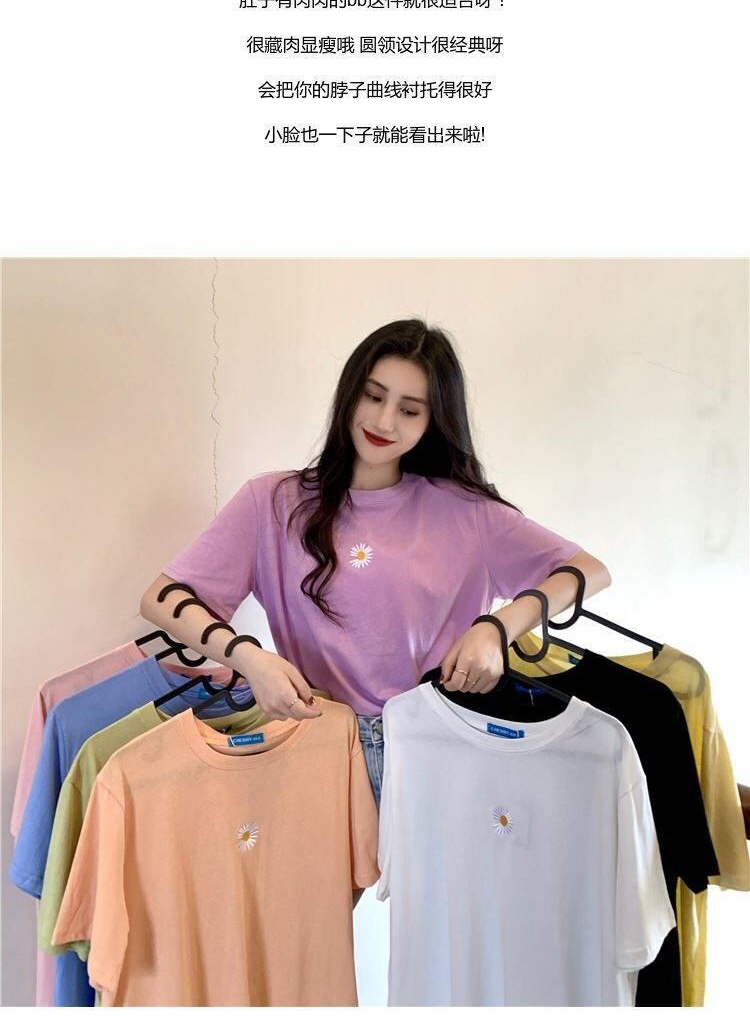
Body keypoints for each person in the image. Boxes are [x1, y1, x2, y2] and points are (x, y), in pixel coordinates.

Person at [138, 319, 611, 806]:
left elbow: (588, 570)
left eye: (409, 410)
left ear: (433, 421)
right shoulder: (273, 503)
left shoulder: (467, 513)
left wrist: (497, 629)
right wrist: (248, 657)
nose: (384, 422)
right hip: (322, 746)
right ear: (350, 393)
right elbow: (162, 597)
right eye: (373, 396)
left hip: (445, 746)